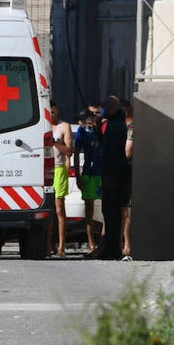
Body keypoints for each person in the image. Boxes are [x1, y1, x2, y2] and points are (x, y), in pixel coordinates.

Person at [90, 95, 131, 260]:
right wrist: (99, 130)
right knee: (110, 213)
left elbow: (112, 154)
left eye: (105, 108)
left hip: (113, 175)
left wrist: (109, 177)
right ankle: (111, 248)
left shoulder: (115, 127)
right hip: (112, 174)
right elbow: (103, 145)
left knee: (112, 214)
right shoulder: (115, 124)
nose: (102, 111)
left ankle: (112, 250)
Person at [73, 109, 102, 254]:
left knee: (106, 210)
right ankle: (92, 245)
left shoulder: (101, 129)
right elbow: (76, 153)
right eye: (86, 121)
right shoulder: (81, 131)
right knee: (89, 210)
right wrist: (78, 176)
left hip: (102, 173)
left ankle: (104, 242)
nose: (90, 122)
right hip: (89, 173)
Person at [47, 102, 73, 257]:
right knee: (48, 210)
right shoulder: (41, 126)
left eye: (54, 112)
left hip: (59, 169)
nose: (52, 115)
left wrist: (55, 143)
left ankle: (62, 246)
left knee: (59, 209)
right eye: (49, 112)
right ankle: (48, 245)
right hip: (44, 170)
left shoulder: (64, 127)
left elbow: (69, 150)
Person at [120, 99, 133, 259]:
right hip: (125, 172)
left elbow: (127, 153)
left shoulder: (131, 128)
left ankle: (127, 245)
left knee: (126, 211)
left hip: (128, 173)